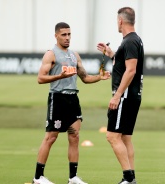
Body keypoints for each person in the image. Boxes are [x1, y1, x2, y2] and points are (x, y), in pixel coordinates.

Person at [32, 22, 110, 184]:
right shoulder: (51, 54)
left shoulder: (74, 55)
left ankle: (73, 177)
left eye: (69, 35)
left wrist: (99, 77)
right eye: (63, 35)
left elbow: (85, 78)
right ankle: (38, 178)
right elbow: (40, 78)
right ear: (56, 36)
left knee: (74, 136)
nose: (67, 38)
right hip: (58, 98)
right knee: (51, 138)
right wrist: (59, 77)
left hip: (73, 99)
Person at [97, 7, 144, 184]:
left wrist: (117, 96)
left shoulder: (130, 41)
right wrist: (111, 55)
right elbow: (125, 65)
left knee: (112, 136)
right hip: (132, 96)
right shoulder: (133, 40)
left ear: (120, 21)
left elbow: (130, 71)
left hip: (125, 97)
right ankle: (132, 179)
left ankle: (128, 178)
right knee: (125, 138)